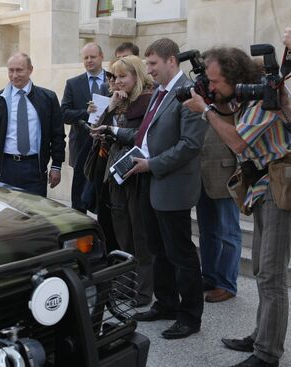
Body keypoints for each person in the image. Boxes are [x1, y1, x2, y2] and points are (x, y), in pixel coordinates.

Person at [184, 46, 290, 367]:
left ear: (235, 76)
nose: (212, 88)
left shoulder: (264, 100)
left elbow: (238, 142)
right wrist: (215, 102)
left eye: (216, 81)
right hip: (262, 187)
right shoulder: (246, 98)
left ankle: (267, 354)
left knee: (271, 276)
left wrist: (206, 110)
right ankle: (261, 336)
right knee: (261, 270)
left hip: (279, 188)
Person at [127, 38, 207, 340]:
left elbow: (190, 145)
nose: (148, 71)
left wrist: (153, 165)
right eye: (147, 65)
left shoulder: (188, 92)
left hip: (171, 184)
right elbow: (146, 135)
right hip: (151, 181)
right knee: (158, 249)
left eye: (152, 65)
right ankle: (166, 303)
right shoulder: (160, 92)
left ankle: (190, 317)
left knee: (180, 253)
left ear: (171, 61)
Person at [90, 55, 155, 306]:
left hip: (137, 175)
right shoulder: (119, 102)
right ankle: (125, 284)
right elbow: (95, 130)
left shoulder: (148, 102)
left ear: (137, 77)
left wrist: (113, 130)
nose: (116, 82)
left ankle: (143, 291)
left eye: (122, 77)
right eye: (114, 77)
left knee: (140, 236)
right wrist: (109, 109)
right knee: (122, 235)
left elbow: (143, 137)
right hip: (114, 175)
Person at [0, 53, 65, 197]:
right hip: (7, 167)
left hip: (35, 168)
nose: (14, 75)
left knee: (35, 215)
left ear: (30, 70)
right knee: (8, 215)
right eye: (11, 70)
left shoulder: (48, 98)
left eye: (19, 70)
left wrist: (56, 165)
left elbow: (57, 134)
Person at [197, 126, 242, 303]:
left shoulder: (230, 100)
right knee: (207, 231)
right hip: (201, 175)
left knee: (229, 233)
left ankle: (227, 284)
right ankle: (209, 277)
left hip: (225, 174)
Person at [61, 43, 108, 212]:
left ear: (102, 57)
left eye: (92, 57)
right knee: (79, 192)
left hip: (106, 145)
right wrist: (85, 112)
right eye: (85, 58)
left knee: (103, 192)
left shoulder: (114, 79)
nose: (89, 61)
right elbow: (64, 114)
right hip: (81, 144)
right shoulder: (73, 83)